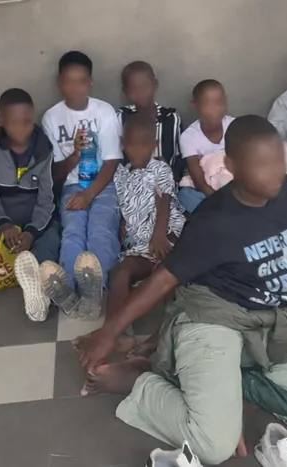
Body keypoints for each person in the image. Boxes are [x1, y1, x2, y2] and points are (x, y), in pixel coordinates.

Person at [73, 116, 287, 466]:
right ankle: (143, 384)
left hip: (266, 319)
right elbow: (164, 278)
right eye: (260, 164)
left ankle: (238, 398)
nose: (274, 173)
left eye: (277, 160)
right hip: (212, 321)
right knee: (214, 447)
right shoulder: (214, 221)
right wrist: (109, 332)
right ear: (231, 166)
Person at [40, 51, 123, 318]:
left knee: (101, 229)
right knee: (74, 231)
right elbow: (55, 172)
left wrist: (89, 195)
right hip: (71, 186)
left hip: (102, 184)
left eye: (81, 81)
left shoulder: (104, 111)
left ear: (91, 83)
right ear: (59, 83)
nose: (75, 88)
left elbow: (111, 162)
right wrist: (75, 154)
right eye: (69, 81)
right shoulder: (51, 118)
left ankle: (97, 289)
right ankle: (70, 290)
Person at [94, 113, 185, 347]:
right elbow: (124, 205)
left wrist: (159, 234)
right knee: (119, 274)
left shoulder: (160, 168)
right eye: (132, 144)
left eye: (144, 145)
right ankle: (113, 332)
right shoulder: (120, 174)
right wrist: (123, 225)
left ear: (153, 145)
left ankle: (164, 336)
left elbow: (163, 201)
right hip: (140, 242)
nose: (137, 151)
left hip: (165, 231)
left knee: (166, 271)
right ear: (123, 144)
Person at [0, 88, 60, 322]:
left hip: (35, 213)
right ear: (1, 120)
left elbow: (46, 199)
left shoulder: (44, 150)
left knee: (51, 239)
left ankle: (38, 290)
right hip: (2, 215)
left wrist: (32, 232)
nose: (21, 129)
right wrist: (4, 224)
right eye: (14, 123)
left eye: (27, 122)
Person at [117, 61, 183, 180]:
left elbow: (177, 159)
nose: (140, 92)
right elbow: (116, 158)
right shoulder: (121, 117)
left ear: (155, 85)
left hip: (164, 183)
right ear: (125, 91)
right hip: (129, 182)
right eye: (134, 88)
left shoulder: (170, 119)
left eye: (145, 86)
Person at [178, 79, 235, 213]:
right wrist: (219, 200)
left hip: (234, 185)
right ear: (195, 105)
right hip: (208, 190)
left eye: (219, 102)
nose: (214, 109)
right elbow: (198, 180)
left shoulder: (234, 126)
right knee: (185, 195)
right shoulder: (189, 137)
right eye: (207, 104)